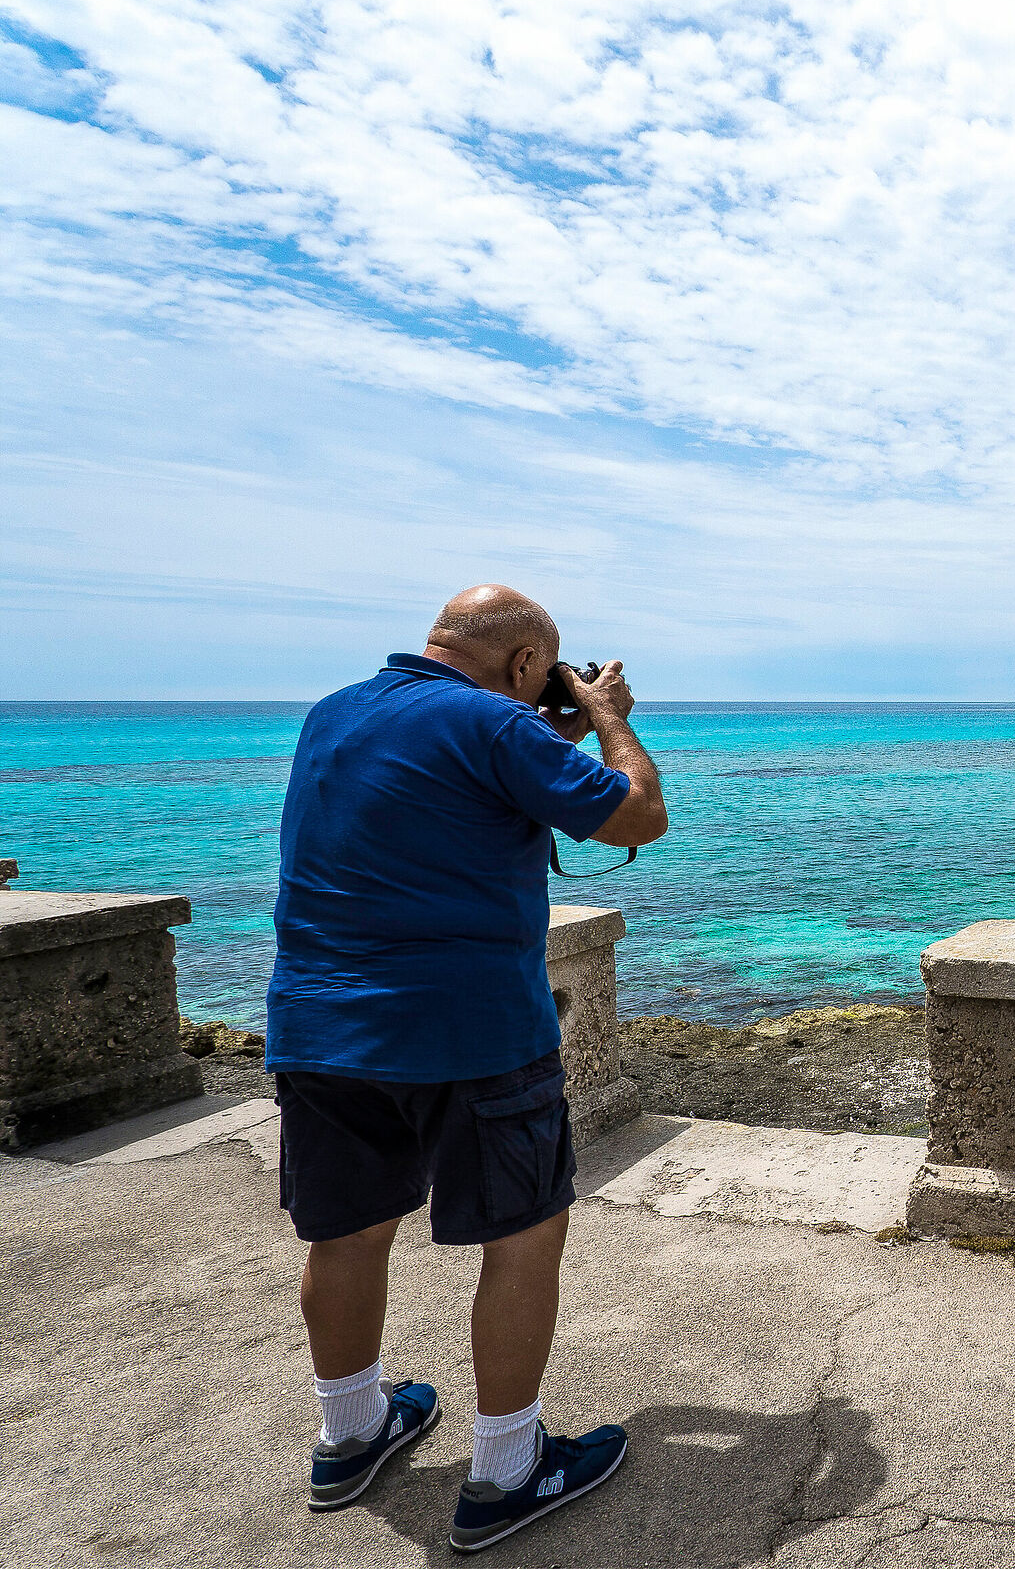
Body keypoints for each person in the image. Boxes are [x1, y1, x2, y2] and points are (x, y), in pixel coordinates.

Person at [265, 585, 668, 1553]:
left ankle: (350, 1431)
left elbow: (452, 775)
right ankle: (507, 1470)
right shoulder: (498, 723)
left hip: (321, 1027)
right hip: (469, 1032)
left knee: (348, 1234)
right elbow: (637, 817)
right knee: (524, 1235)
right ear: (529, 662)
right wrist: (607, 722)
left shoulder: (337, 709)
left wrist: (542, 729)